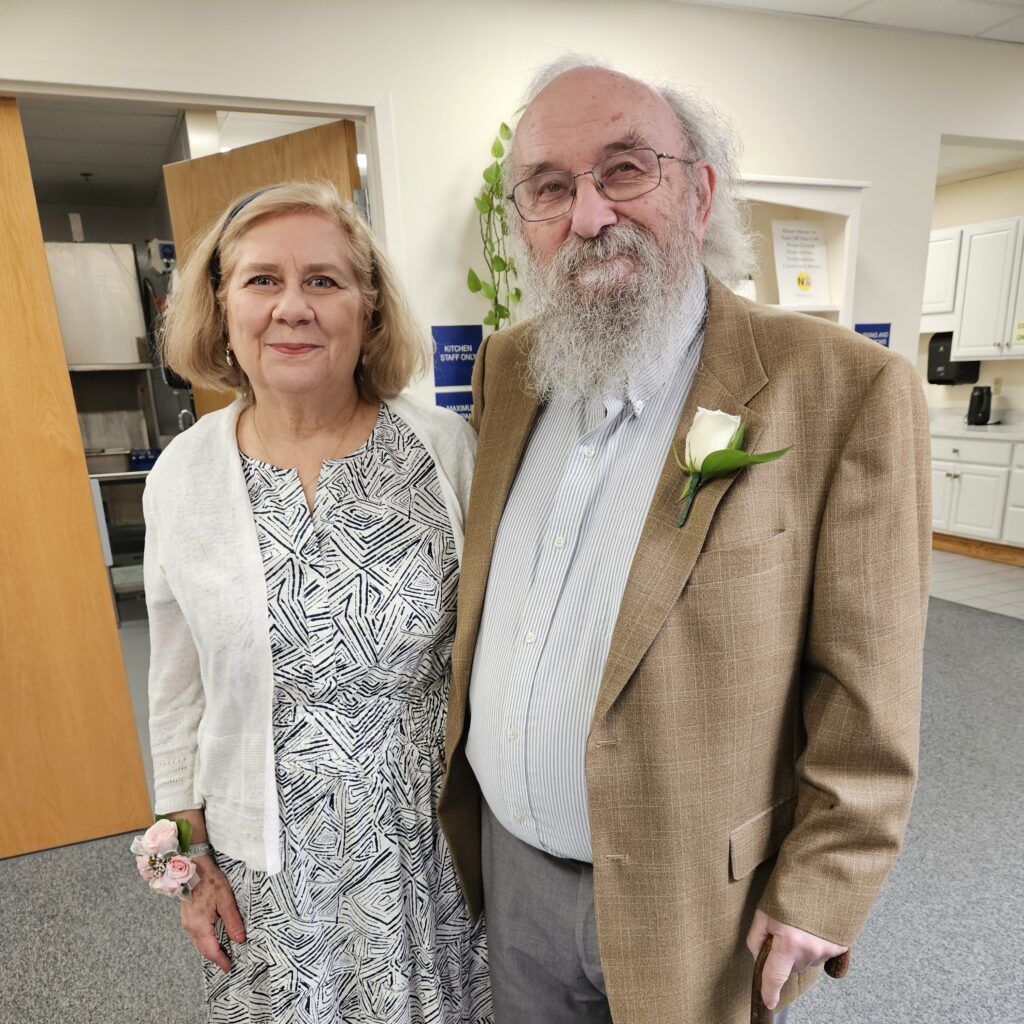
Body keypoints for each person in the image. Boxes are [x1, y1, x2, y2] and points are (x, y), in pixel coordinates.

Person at [438, 59, 930, 1024]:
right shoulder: (508, 369)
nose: (587, 217)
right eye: (550, 188)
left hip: (702, 898)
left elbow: (870, 689)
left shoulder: (844, 389)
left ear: (699, 191)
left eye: (625, 169)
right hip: (512, 871)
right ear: (526, 222)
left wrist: (828, 882)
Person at [146, 181, 491, 1023]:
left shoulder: (444, 451)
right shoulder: (184, 478)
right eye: (262, 281)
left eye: (325, 281)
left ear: (369, 310)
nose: (292, 308)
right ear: (221, 306)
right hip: (267, 865)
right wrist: (188, 872)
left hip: (428, 851)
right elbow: (176, 692)